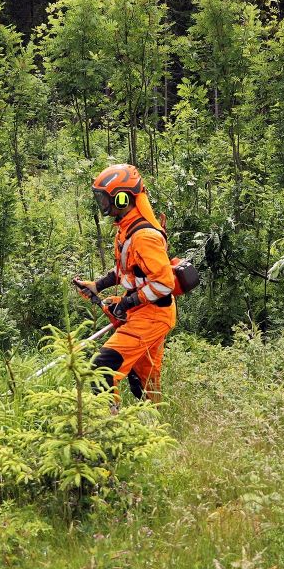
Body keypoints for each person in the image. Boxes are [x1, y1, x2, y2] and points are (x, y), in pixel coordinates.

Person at [74, 163, 175, 407]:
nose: (102, 204)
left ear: (122, 198)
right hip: (145, 311)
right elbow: (128, 270)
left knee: (102, 367)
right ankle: (153, 420)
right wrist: (98, 285)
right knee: (144, 377)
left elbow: (164, 283)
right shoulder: (126, 228)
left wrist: (128, 302)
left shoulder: (144, 236)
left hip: (152, 316)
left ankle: (112, 424)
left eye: (104, 198)